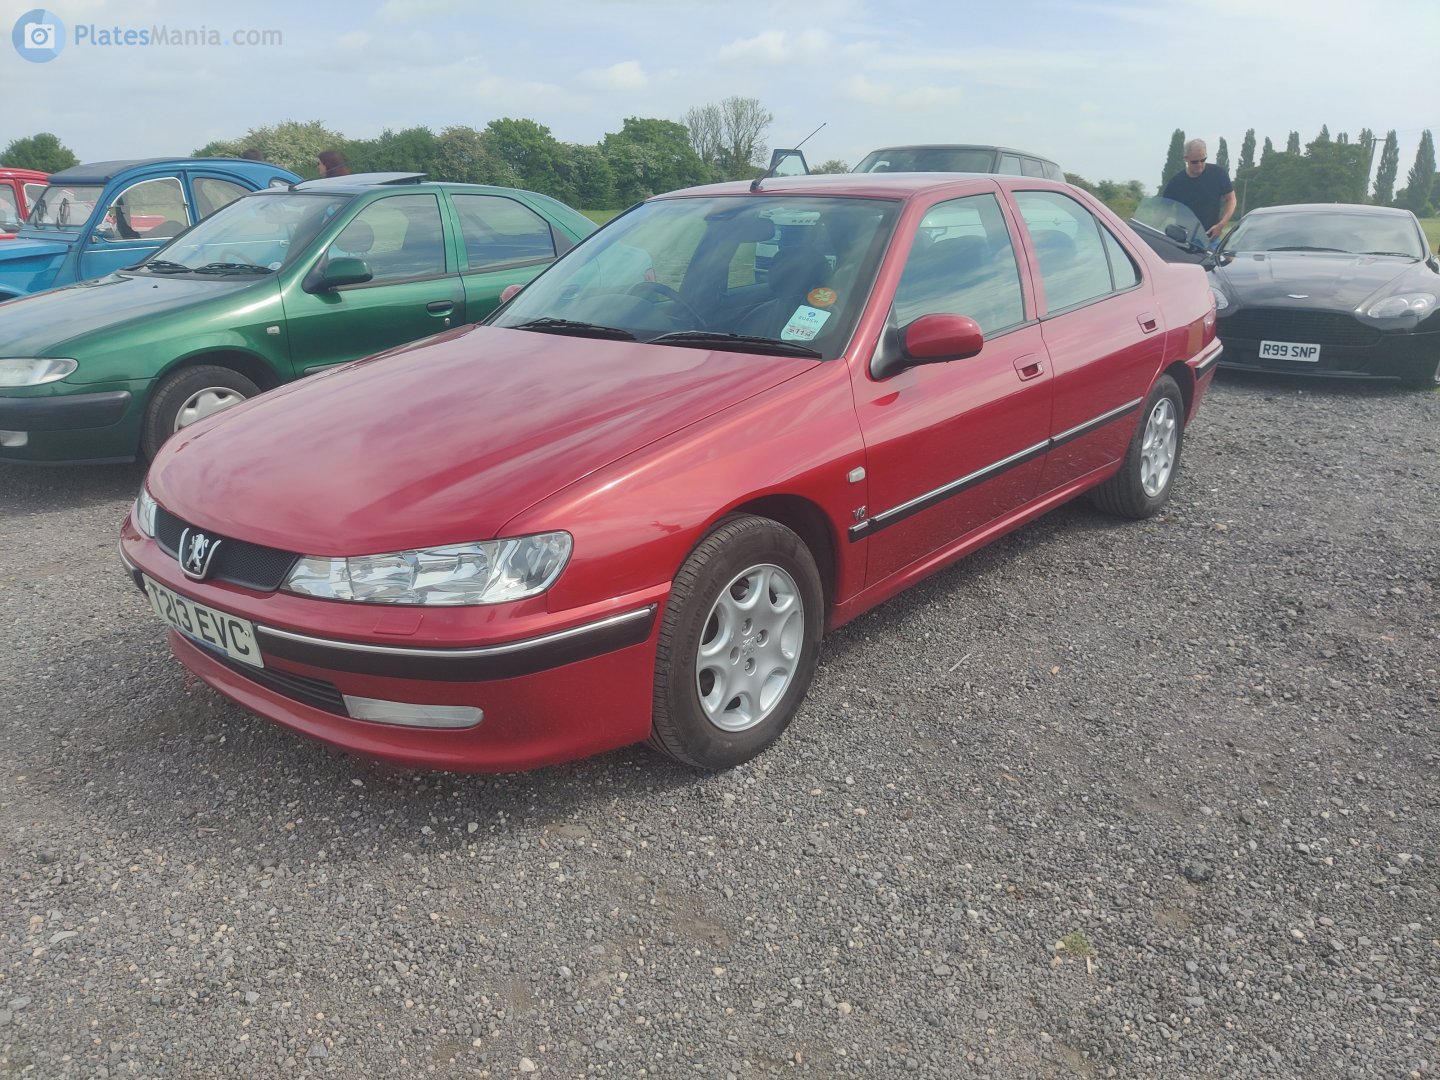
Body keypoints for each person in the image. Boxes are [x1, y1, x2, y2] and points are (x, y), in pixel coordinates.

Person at [1162, 138, 1236, 246]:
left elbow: (1231, 199)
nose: (1200, 164)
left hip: (1211, 238)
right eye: (1195, 162)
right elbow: (1163, 211)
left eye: (1203, 160)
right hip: (1182, 240)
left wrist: (1221, 224)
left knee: (1223, 260)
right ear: (1186, 159)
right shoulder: (1176, 182)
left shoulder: (1218, 174)